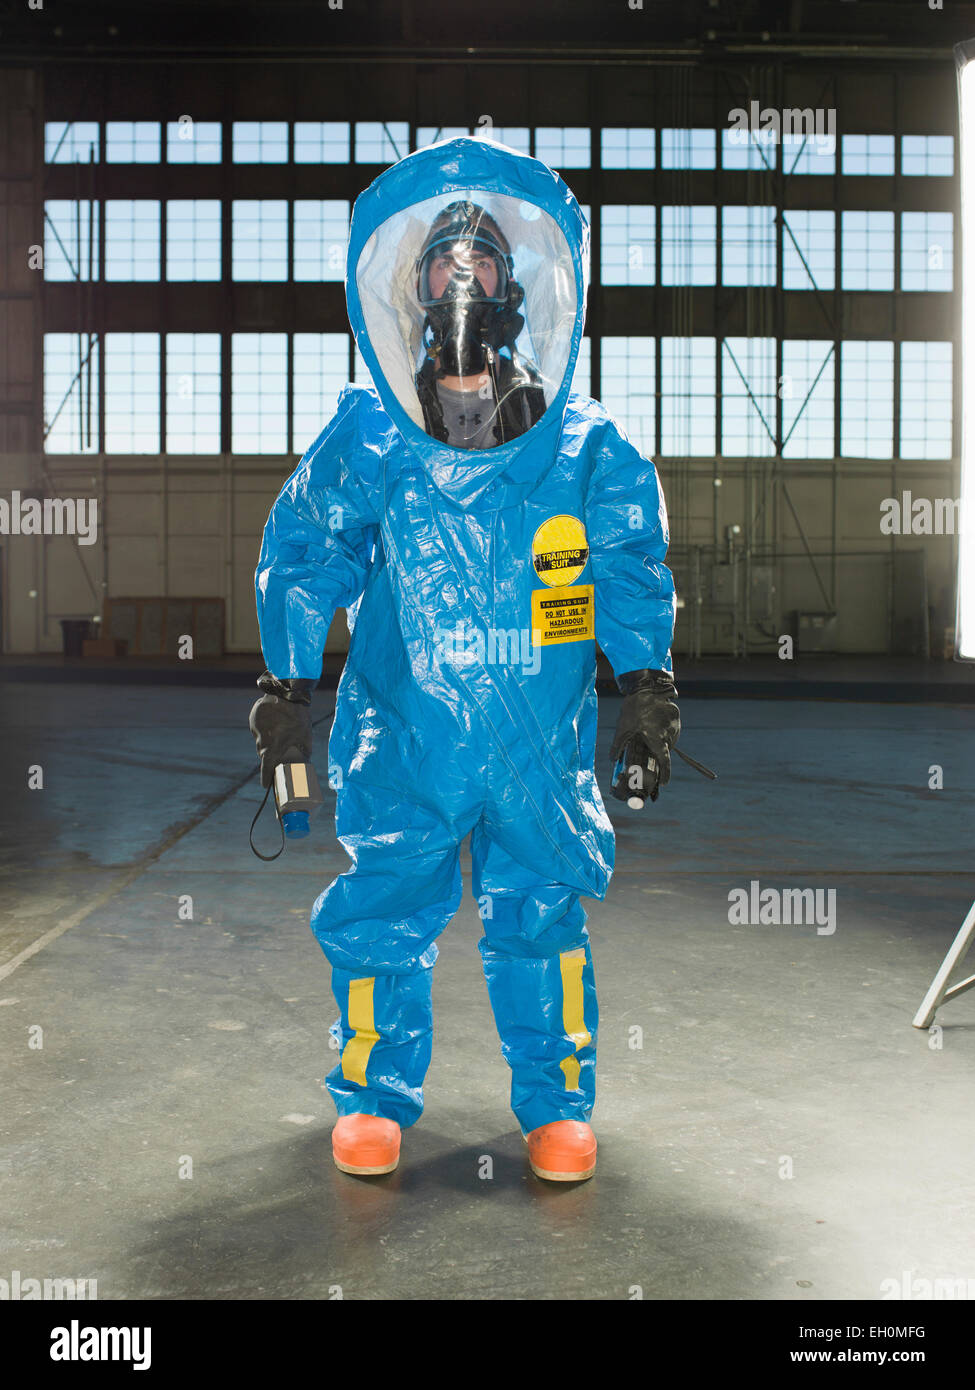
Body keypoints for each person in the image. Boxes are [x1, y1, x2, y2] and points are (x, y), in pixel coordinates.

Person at [250, 135, 680, 1183]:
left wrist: (649, 681)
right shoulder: (374, 436)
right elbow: (308, 550)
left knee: (541, 915)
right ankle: (370, 1097)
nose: (458, 276)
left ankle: (557, 1104)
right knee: (386, 908)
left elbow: (628, 556)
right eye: (441, 256)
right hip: (408, 731)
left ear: (514, 284)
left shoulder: (581, 443)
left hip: (538, 738)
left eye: (479, 258)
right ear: (408, 284)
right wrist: (284, 681)